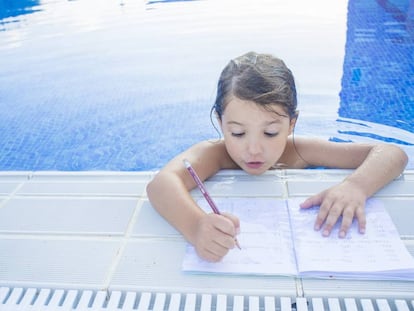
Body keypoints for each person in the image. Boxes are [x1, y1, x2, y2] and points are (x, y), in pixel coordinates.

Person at [146, 51, 408, 262]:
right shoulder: (215, 154)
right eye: (237, 133)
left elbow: (393, 154)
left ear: (291, 124)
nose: (254, 149)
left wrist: (356, 186)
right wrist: (196, 226)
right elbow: (162, 184)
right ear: (220, 121)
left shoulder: (298, 151)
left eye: (271, 133)